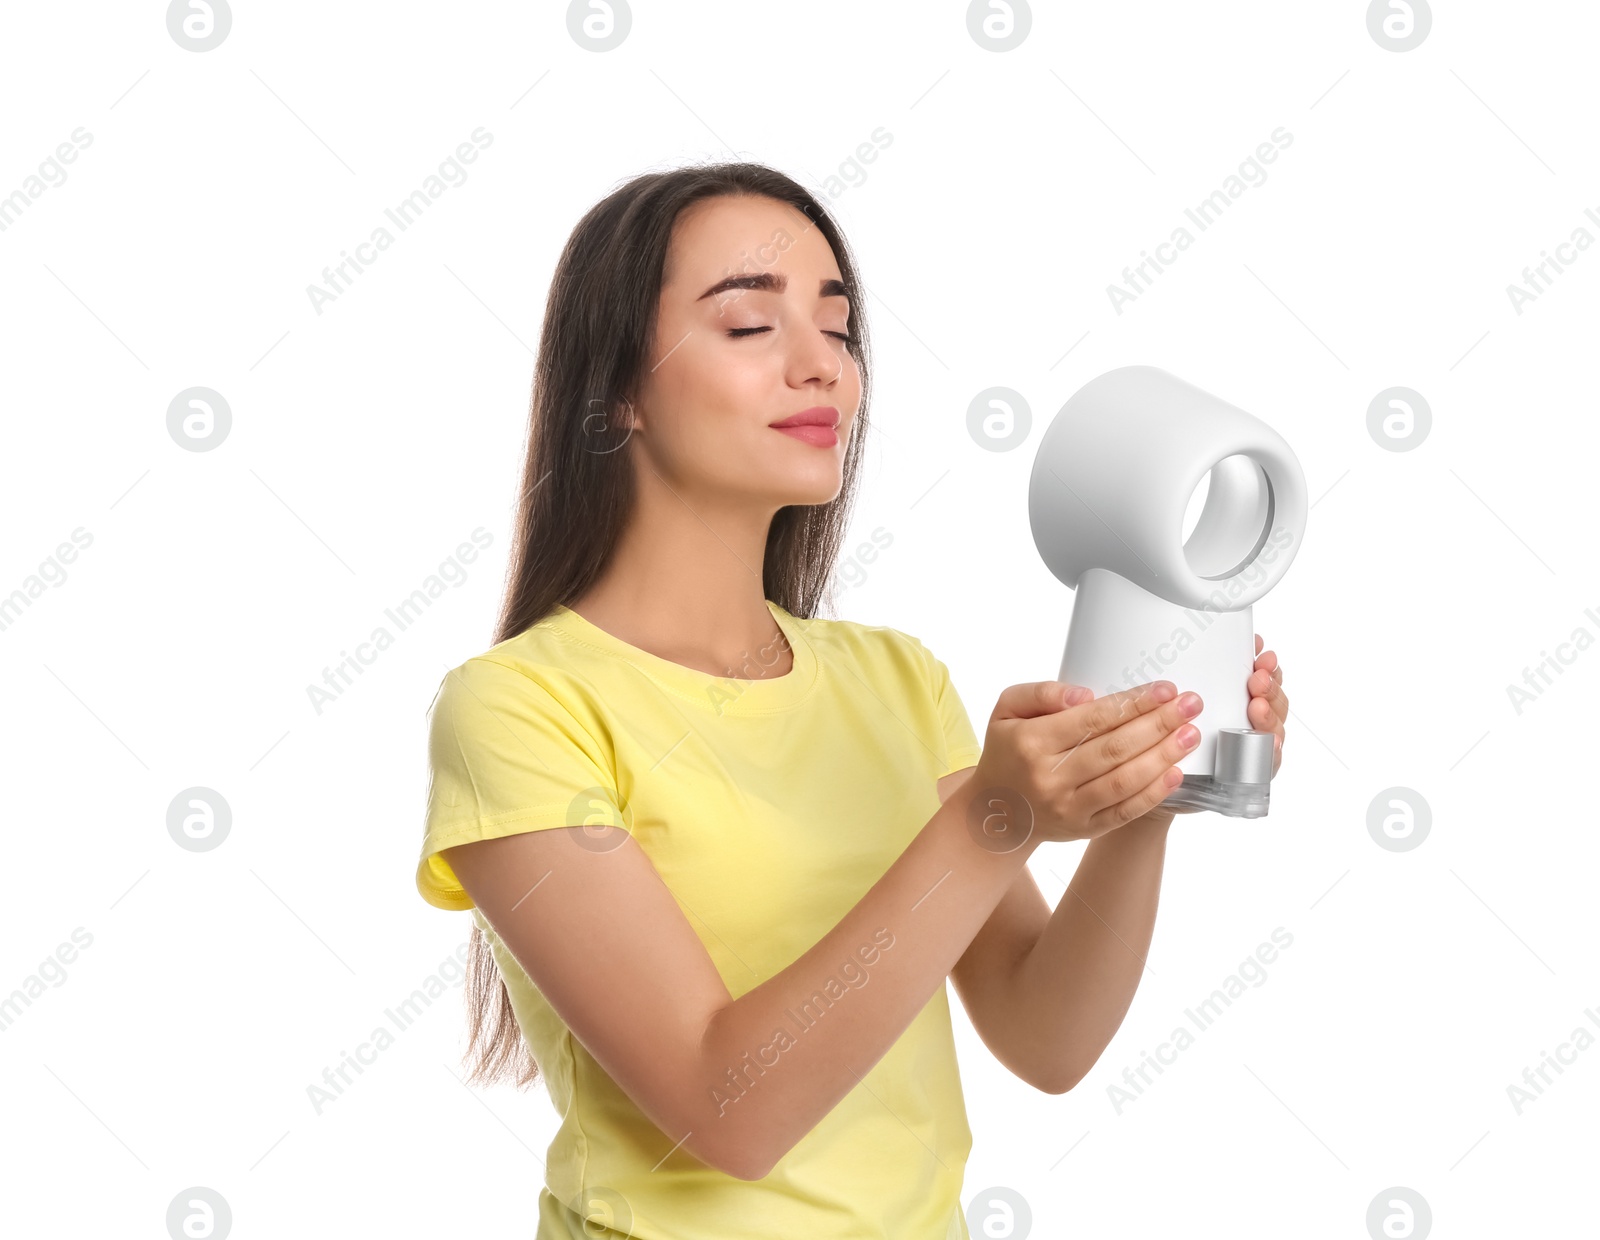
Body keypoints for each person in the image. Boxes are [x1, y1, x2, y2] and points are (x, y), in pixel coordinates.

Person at [413, 161, 1289, 1239]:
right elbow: (723, 1110)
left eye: (837, 329)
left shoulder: (893, 679)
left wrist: (1145, 790)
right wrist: (993, 820)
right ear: (618, 391)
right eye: (747, 325)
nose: (818, 366)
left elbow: (1045, 1034)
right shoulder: (516, 710)